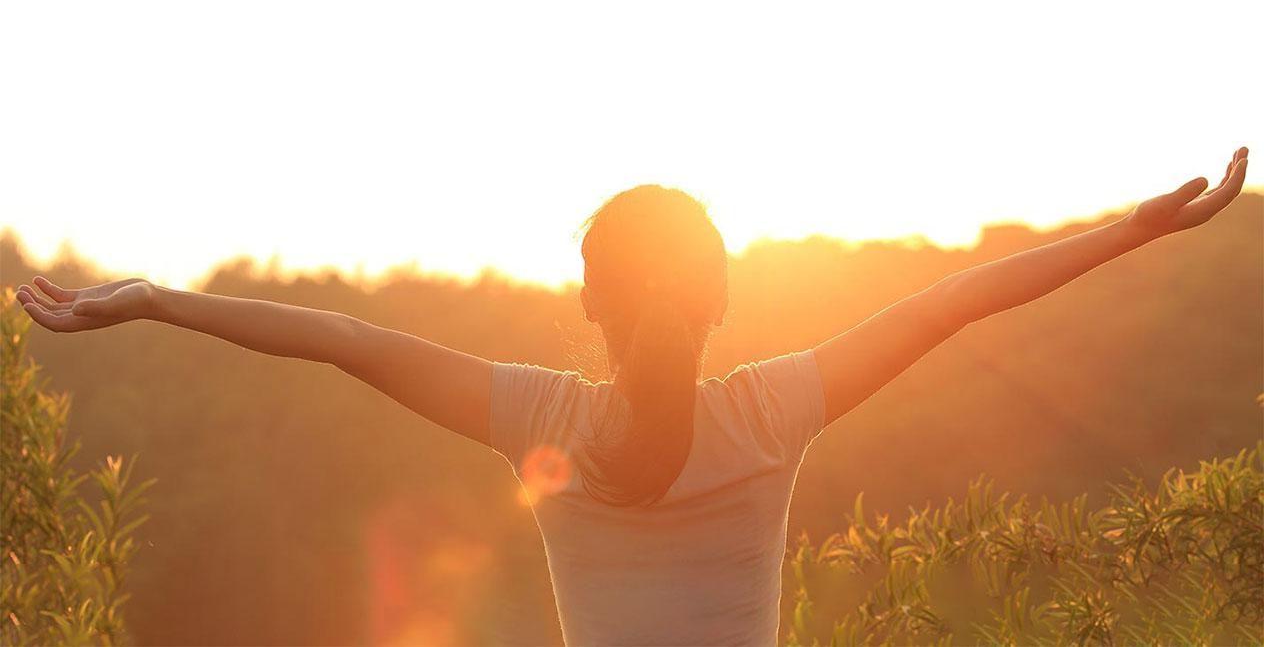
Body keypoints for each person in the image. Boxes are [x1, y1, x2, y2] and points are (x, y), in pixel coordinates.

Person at [15, 147, 1249, 646]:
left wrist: (157, 301)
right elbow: (959, 299)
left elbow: (339, 337)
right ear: (717, 305)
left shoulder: (539, 419)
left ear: (591, 304)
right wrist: (1135, 232)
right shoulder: (773, 411)